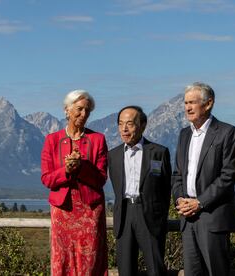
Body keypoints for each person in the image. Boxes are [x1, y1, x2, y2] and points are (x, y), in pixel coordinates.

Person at [172, 82, 235, 276]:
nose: (187, 107)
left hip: (213, 217)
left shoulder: (226, 132)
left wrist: (200, 202)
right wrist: (180, 201)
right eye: (185, 102)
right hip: (187, 217)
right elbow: (178, 174)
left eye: (192, 102)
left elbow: (228, 176)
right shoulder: (184, 134)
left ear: (208, 103)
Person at [41, 90, 108, 276]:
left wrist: (82, 167)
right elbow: (47, 179)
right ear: (67, 110)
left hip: (90, 209)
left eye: (87, 110)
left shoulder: (98, 140)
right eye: (79, 109)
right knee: (63, 259)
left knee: (90, 261)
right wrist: (67, 171)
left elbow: (101, 178)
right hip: (63, 209)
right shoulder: (52, 140)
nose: (83, 114)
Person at [108, 106, 172, 276]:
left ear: (142, 125)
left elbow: (166, 189)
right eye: (121, 124)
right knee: (125, 270)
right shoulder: (112, 155)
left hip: (150, 215)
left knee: (155, 269)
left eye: (130, 123)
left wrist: (160, 215)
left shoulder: (158, 152)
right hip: (124, 216)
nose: (124, 129)